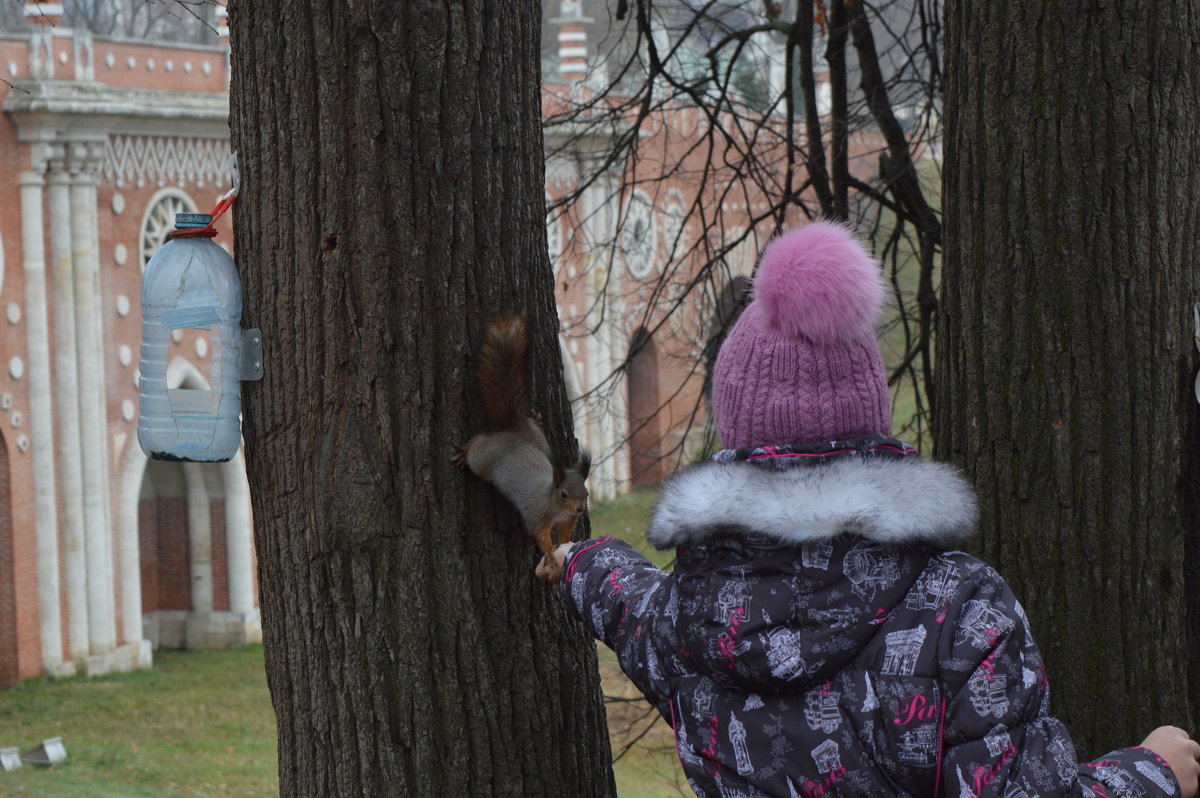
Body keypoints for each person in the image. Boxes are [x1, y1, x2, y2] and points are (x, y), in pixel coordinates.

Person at [536, 221, 1200, 797]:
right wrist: (1152, 771)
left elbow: (628, 603)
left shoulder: (690, 615)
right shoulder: (961, 613)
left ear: (736, 433)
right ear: (870, 421)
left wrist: (576, 560)